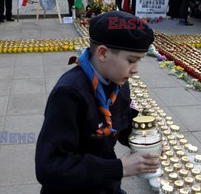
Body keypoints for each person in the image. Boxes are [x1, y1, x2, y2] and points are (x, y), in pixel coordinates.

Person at [35, 11, 158, 193]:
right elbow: (49, 166)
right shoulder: (69, 94)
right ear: (102, 53)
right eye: (131, 60)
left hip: (105, 185)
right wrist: (120, 167)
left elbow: (124, 123)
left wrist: (146, 142)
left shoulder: (118, 83)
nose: (135, 70)